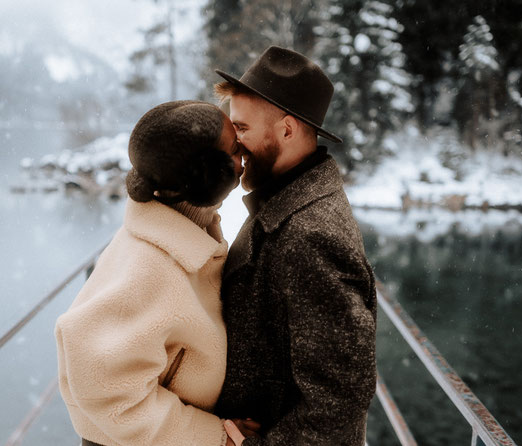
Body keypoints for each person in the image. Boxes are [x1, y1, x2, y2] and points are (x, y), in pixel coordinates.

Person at [54, 100, 254, 446]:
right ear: (209, 174)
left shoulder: (184, 237)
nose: (245, 156)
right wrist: (214, 438)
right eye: (236, 148)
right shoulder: (151, 266)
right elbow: (108, 389)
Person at [212, 46, 378, 445]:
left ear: (287, 130)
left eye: (243, 129)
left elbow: (338, 404)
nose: (233, 145)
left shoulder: (310, 235)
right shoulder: (283, 199)